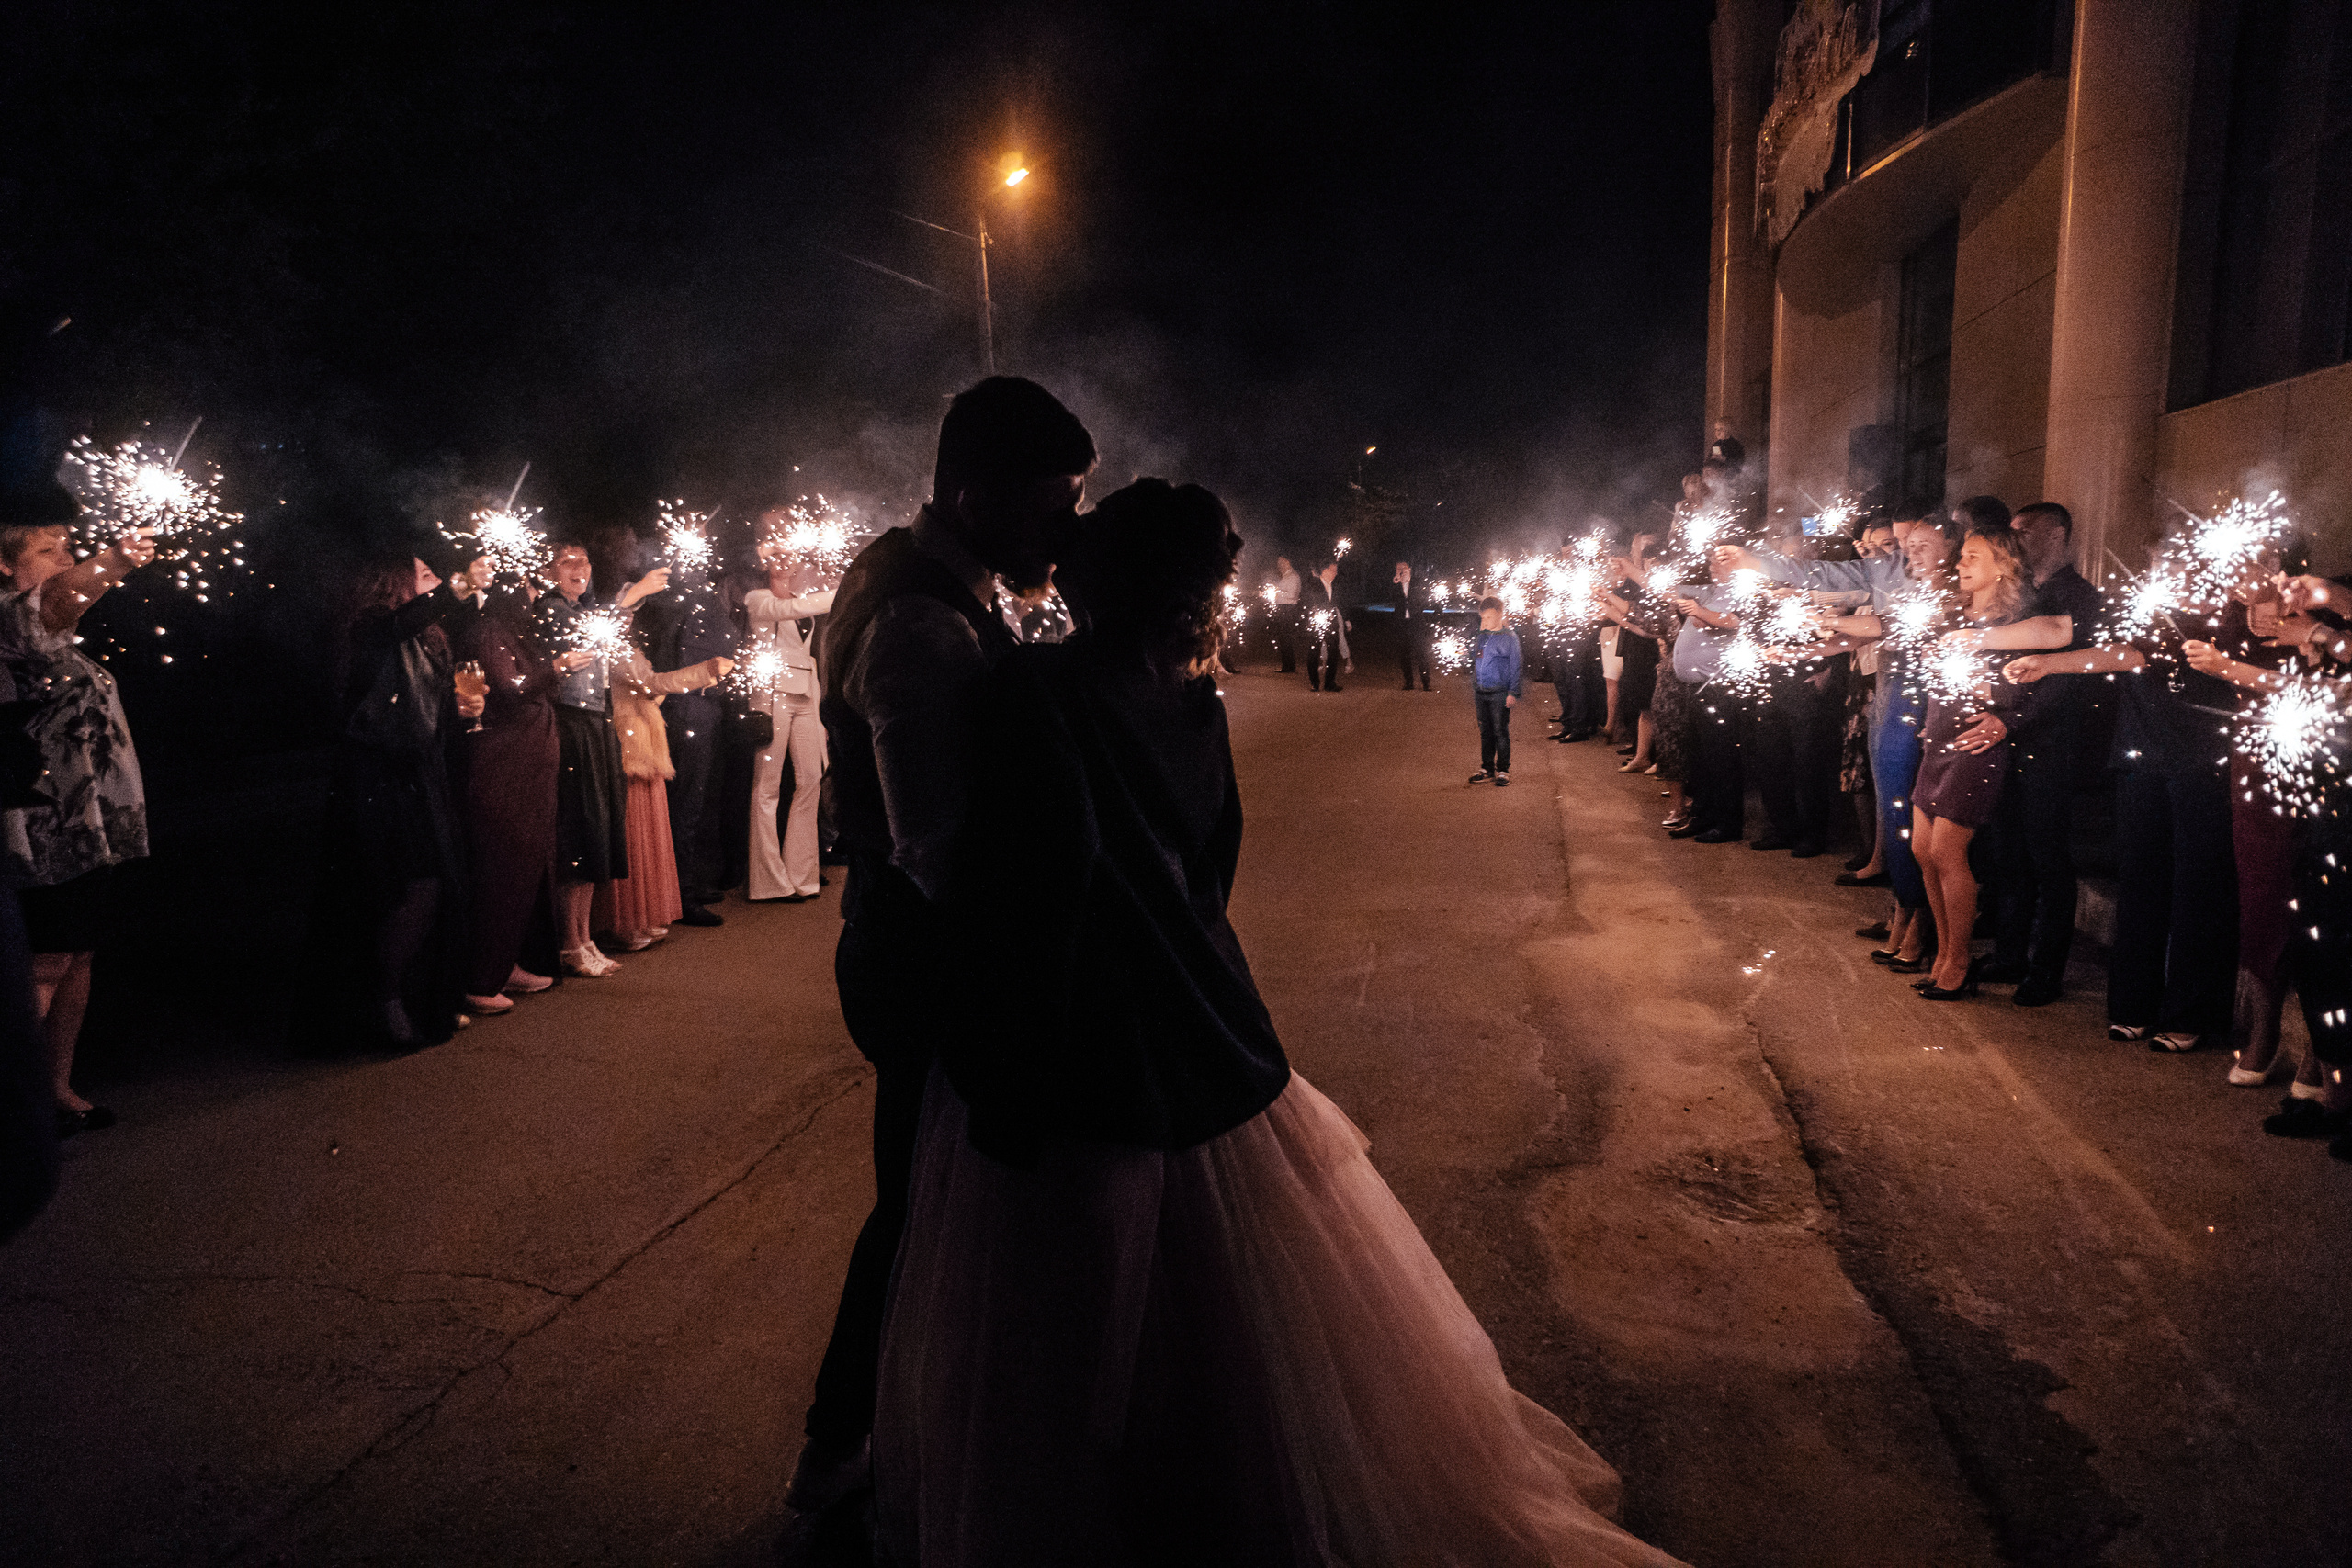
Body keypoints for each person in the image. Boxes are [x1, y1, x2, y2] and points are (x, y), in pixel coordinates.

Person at [873, 476, 1687, 1566]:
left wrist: (1005, 1056)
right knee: (1220, 1315)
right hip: (1201, 1022)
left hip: (1083, 1045)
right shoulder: (1192, 696)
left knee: (1060, 1337)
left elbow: (1044, 887)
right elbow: (1214, 864)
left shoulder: (1038, 690)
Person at [788, 376, 1096, 1539]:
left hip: (914, 946)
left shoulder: (919, 575)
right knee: (920, 1204)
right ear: (971, 493)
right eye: (1047, 504)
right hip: (927, 957)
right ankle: (844, 1445)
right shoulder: (920, 620)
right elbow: (937, 852)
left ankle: (887, 1432)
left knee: (926, 1201)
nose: (1061, 532)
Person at [0, 513, 155, 1136]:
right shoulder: (9, 620)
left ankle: (54, 1090)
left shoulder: (58, 635)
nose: (67, 559)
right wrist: (115, 561)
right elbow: (51, 605)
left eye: (70, 546)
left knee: (78, 953)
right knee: (46, 959)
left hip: (86, 824)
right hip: (39, 824)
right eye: (47, 549)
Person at [308, 547, 482, 1050]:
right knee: (402, 887)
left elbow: (429, 703)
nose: (433, 578)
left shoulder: (427, 637)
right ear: (394, 584)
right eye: (424, 574)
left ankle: (415, 994)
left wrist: (463, 707)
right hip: (376, 775)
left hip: (420, 771)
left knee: (433, 885)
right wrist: (460, 585)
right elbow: (392, 639)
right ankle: (379, 999)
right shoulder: (370, 627)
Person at [1907, 529, 2037, 1000]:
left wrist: (1985, 689)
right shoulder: (1953, 616)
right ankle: (1942, 952)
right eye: (1961, 556)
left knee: (1946, 852)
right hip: (1937, 738)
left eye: (1973, 557)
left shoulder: (2016, 624)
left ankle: (1960, 960)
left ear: (2001, 566)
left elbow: (2026, 689)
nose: (1960, 565)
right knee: (1922, 848)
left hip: (1974, 743)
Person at [452, 573, 589, 1015]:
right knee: (504, 867)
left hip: (527, 767)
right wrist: (559, 667)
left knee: (528, 865)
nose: (536, 598)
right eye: (530, 590)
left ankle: (505, 961)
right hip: (504, 767)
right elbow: (509, 688)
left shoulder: (514, 630)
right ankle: (480, 976)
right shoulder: (489, 630)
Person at [535, 542, 669, 977]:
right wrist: (630, 596)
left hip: (598, 723)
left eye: (585, 561)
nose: (580, 568)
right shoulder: (552, 608)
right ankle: (569, 943)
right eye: (568, 562)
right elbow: (585, 636)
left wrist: (624, 607)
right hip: (573, 725)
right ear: (548, 572)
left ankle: (584, 937)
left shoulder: (584, 608)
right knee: (580, 832)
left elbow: (603, 633)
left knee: (598, 831)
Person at [593, 637, 733, 950]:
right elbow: (652, 683)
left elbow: (647, 691)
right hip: (632, 745)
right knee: (633, 834)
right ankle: (621, 923)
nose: (629, 618)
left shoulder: (624, 647)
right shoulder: (607, 643)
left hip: (646, 743)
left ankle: (639, 918)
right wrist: (707, 669)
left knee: (647, 833)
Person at [745, 545, 835, 904]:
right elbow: (787, 610)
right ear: (764, 563)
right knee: (767, 788)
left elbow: (803, 612)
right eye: (777, 556)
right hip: (772, 696)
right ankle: (768, 882)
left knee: (811, 780)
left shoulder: (804, 597)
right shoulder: (757, 598)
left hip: (805, 695)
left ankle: (802, 875)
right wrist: (841, 589)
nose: (784, 562)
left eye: (790, 556)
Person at [1671, 551, 1749, 843]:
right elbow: (1665, 589)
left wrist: (1701, 613)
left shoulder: (1744, 592)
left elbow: (1736, 621)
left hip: (1719, 687)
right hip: (1695, 688)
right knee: (1699, 757)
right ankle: (1702, 816)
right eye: (1711, 563)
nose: (1712, 567)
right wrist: (1630, 567)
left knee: (1722, 756)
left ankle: (1728, 824)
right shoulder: (1709, 591)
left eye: (1720, 562)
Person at [1467, 594, 1521, 786]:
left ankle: (1503, 770)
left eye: (1489, 618)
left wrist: (1513, 692)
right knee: (1485, 731)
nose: (1485, 621)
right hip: (1480, 691)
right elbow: (1472, 657)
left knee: (1500, 731)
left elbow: (1516, 666)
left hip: (1499, 692)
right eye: (1483, 618)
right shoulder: (1481, 636)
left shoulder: (1509, 638)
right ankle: (1487, 767)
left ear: (1500, 615)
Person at [1300, 560, 1350, 692]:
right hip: (1316, 623)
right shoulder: (1314, 584)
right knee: (1313, 652)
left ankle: (1329, 683)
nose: (1336, 573)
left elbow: (1340, 602)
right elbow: (1305, 601)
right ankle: (1314, 683)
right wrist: (1313, 611)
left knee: (1333, 652)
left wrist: (1346, 619)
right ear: (1325, 570)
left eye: (1336, 571)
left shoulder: (1336, 585)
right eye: (1333, 570)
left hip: (1331, 623)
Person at [1394, 560, 1431, 690]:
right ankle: (1409, 682)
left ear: (1409, 569)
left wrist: (1407, 580)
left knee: (1421, 654)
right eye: (1398, 568)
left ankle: (1426, 683)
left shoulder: (1417, 583)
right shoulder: (1394, 584)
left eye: (1403, 568)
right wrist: (1397, 581)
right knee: (1404, 654)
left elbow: (1422, 600)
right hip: (1402, 624)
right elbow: (1391, 598)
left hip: (1416, 623)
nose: (1401, 570)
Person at [1270, 554, 1302, 673]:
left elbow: (1292, 595)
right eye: (1278, 563)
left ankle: (1290, 666)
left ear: (1287, 562)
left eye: (1281, 562)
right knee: (1283, 638)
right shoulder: (1285, 576)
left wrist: (1278, 593)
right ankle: (1286, 666)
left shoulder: (1293, 576)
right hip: (1283, 608)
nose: (1279, 565)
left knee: (1286, 638)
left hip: (1288, 609)